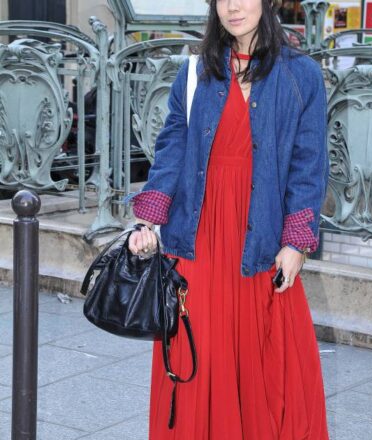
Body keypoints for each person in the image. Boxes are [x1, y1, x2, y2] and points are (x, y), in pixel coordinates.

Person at [127, 0, 330, 438]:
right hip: (198, 236)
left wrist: (297, 242)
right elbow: (172, 150)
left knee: (265, 365)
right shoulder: (196, 71)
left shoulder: (302, 75)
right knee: (199, 352)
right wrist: (149, 222)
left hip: (259, 238)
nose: (234, 7)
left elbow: (309, 165)